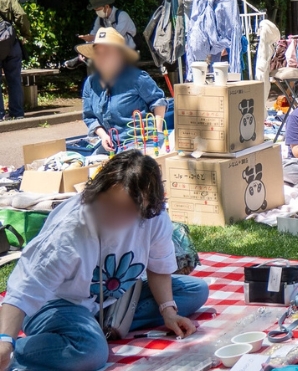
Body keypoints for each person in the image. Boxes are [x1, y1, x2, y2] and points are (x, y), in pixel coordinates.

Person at [0, 151, 208, 371]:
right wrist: (5, 341)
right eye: (110, 204)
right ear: (98, 191)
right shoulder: (69, 231)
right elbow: (24, 290)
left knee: (195, 291)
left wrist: (169, 312)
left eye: (128, 209)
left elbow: (158, 266)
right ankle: (21, 352)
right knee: (90, 352)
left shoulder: (154, 219)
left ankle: (95, 328)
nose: (115, 215)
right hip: (56, 304)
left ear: (148, 207)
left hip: (108, 300)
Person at [79, 28, 166, 152]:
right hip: (110, 146)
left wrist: (158, 132)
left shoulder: (137, 77)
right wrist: (103, 136)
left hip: (140, 143)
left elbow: (158, 101)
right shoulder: (91, 82)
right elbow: (90, 116)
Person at [0, 0, 31, 120]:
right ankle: (17, 113)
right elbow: (21, 15)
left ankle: (0, 115)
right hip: (10, 43)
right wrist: (26, 34)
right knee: (14, 79)